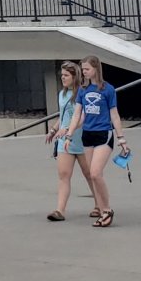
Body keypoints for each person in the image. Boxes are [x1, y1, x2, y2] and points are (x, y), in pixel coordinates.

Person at [64, 56, 130, 229]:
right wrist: (69, 134)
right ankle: (102, 211)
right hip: (88, 135)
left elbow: (114, 115)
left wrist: (121, 138)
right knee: (91, 176)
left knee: (95, 173)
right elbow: (79, 114)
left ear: (95, 69)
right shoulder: (83, 90)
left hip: (104, 134)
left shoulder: (108, 89)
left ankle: (107, 209)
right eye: (83, 69)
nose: (84, 72)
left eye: (86, 69)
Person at [44, 59, 96, 221]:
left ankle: (100, 204)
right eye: (62, 75)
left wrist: (67, 129)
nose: (63, 78)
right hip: (64, 140)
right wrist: (54, 129)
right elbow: (64, 116)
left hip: (81, 139)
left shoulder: (83, 94)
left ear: (75, 77)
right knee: (64, 175)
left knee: (90, 174)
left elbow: (82, 117)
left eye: (66, 75)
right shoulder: (62, 94)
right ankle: (60, 210)